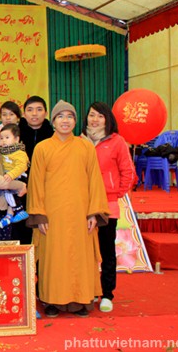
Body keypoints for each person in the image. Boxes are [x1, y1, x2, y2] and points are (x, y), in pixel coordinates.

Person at [27, 100, 109, 318]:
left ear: (75, 121)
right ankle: (51, 301)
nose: (65, 121)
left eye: (70, 116)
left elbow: (95, 180)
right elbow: (35, 183)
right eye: (60, 116)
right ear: (53, 121)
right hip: (52, 215)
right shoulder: (42, 148)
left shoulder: (85, 147)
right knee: (53, 258)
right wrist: (39, 215)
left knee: (80, 257)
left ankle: (81, 300)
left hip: (81, 213)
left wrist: (93, 212)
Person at [82, 102, 135, 313]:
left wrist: (115, 193)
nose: (94, 120)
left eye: (100, 116)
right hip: (82, 205)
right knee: (85, 251)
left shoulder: (117, 141)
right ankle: (87, 290)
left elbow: (128, 171)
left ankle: (106, 294)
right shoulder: (80, 141)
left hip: (107, 205)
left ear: (107, 120)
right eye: (91, 115)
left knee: (106, 251)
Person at [16, 96, 53, 245]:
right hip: (20, 191)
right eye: (30, 110)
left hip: (46, 190)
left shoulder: (53, 135)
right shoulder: (15, 135)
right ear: (24, 114)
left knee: (45, 232)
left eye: (39, 109)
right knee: (21, 233)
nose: (34, 114)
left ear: (46, 113)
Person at [0, 124, 29, 228]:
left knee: (8, 192)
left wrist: (11, 174)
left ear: (16, 139)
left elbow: (22, 166)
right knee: (6, 195)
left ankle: (19, 210)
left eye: (7, 137)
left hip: (19, 176)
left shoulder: (19, 152)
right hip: (9, 175)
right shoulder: (3, 152)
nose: (4, 141)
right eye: (1, 138)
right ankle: (9, 215)